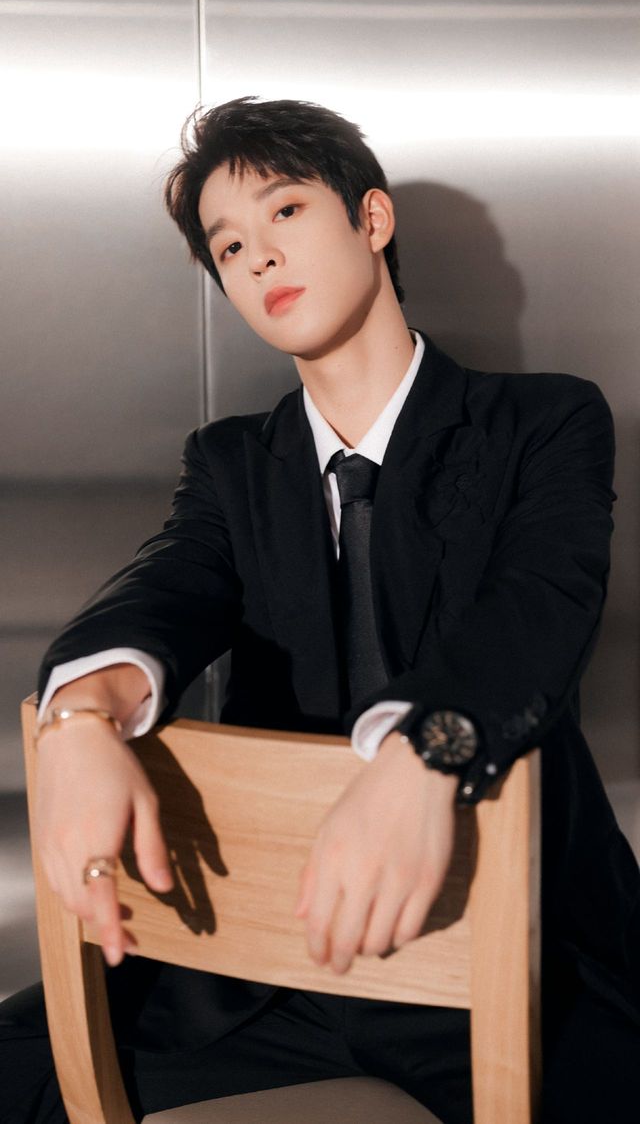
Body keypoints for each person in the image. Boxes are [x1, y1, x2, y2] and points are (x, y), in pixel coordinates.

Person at [1, 96, 639, 1124]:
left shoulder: (544, 420)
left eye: (285, 211)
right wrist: (77, 716)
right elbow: (164, 584)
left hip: (512, 943)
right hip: (266, 958)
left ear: (371, 219)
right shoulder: (230, 462)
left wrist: (423, 749)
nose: (257, 256)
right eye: (228, 246)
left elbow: (538, 608)